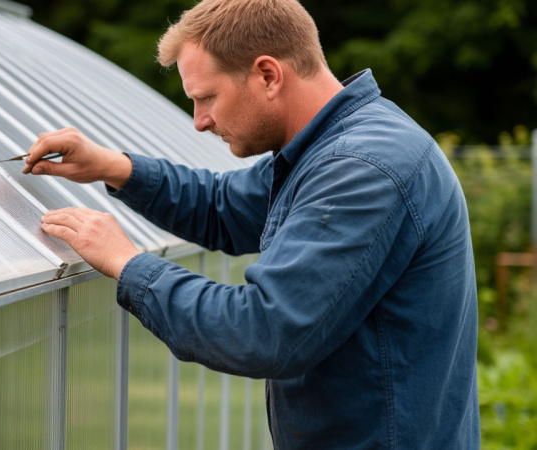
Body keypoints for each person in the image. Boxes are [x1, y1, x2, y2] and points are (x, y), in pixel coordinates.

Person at [24, 0, 480, 447]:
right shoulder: (328, 149)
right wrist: (113, 166)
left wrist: (126, 262)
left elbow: (266, 331)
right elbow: (223, 207)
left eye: (207, 98)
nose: (200, 121)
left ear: (267, 74)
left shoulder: (362, 167)